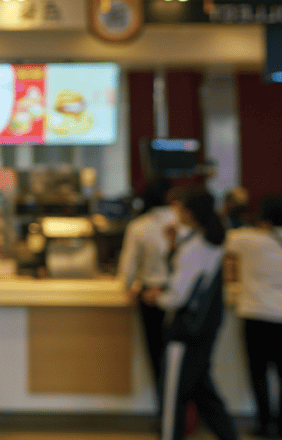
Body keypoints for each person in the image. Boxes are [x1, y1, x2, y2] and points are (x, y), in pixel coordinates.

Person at [142, 187, 238, 440]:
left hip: (185, 330)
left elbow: (178, 295)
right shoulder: (210, 242)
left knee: (173, 395)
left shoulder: (194, 246)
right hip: (204, 327)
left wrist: (156, 297)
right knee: (201, 390)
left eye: (180, 207)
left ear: (190, 213)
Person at [225, 195, 282, 439]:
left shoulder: (246, 239)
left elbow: (221, 239)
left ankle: (264, 424)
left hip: (257, 312)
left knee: (258, 371)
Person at [117, 177, 176, 395]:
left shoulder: (139, 226)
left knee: (157, 356)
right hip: (178, 293)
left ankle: (164, 407)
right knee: (180, 359)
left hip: (149, 296)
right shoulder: (182, 221)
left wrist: (127, 287)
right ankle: (179, 410)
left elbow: (127, 268)